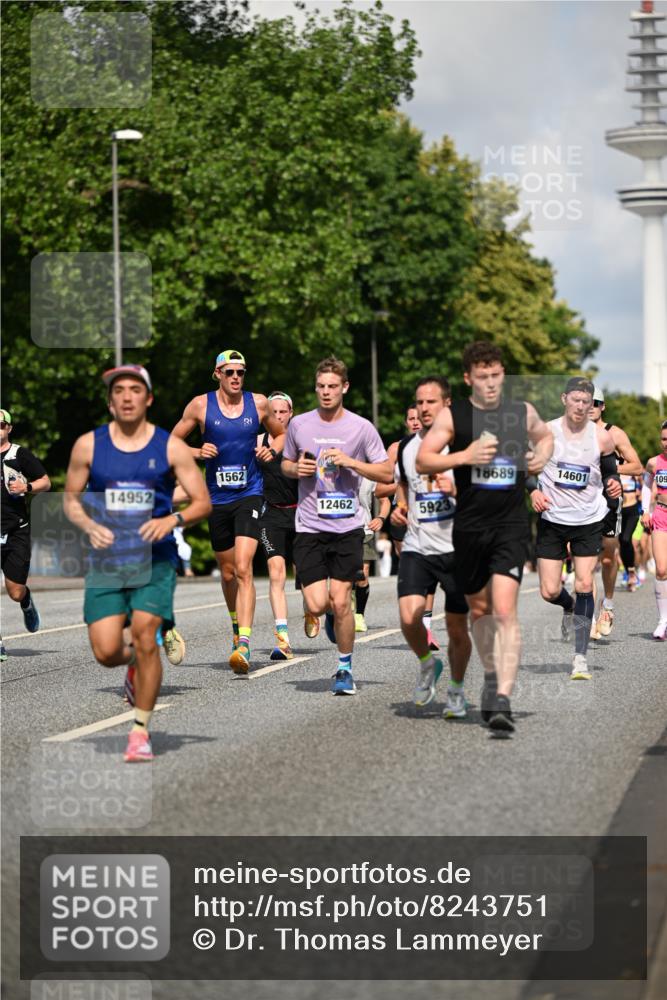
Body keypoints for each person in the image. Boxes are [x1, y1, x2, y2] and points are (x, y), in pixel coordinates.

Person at [64, 365, 211, 762]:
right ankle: (132, 665)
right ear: (110, 402)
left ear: (148, 399)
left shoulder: (170, 447)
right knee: (106, 650)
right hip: (108, 561)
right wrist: (88, 525)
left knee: (146, 636)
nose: (127, 397)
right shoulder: (88, 447)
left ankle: (140, 731)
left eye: (134, 390)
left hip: (154, 559)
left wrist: (172, 519)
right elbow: (70, 499)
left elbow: (202, 501)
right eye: (119, 391)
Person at [417, 341, 553, 734]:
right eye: (482, 377)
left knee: (506, 611)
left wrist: (542, 455)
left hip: (510, 525)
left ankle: (501, 697)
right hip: (469, 528)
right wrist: (464, 456)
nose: (491, 384)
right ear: (468, 378)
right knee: (479, 612)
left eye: (496, 376)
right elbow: (425, 458)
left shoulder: (519, 412)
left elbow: (545, 437)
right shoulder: (453, 415)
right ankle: (492, 675)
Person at [281, 356, 392, 695]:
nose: (326, 392)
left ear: (344, 388)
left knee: (342, 600)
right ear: (315, 388)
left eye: (332, 386)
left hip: (347, 527)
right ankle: (327, 614)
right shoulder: (299, 425)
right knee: (317, 603)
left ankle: (344, 668)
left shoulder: (361, 428)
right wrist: (294, 469)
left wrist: (351, 462)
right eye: (320, 387)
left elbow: (386, 472)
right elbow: (284, 464)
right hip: (310, 526)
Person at [172, 349, 284, 673]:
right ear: (217, 374)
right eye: (230, 372)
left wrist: (270, 451)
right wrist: (197, 450)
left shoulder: (259, 403)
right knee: (227, 573)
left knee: (244, 566)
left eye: (241, 372)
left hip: (250, 493)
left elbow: (281, 433)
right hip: (217, 498)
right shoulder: (200, 405)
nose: (236, 377)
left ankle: (244, 644)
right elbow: (171, 442)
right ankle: (236, 627)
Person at [529, 378, 621, 680]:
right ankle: (567, 606)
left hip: (588, 520)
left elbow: (610, 473)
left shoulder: (602, 438)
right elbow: (526, 469)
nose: (581, 406)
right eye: (576, 400)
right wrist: (533, 491)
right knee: (549, 590)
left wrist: (613, 486)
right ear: (564, 399)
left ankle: (580, 658)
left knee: (584, 584)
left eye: (587, 401)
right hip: (553, 520)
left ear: (591, 404)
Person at [391, 376, 472, 716]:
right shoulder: (408, 448)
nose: (424, 408)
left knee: (456, 629)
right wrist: (400, 509)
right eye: (419, 402)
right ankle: (427, 663)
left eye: (431, 402)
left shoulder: (462, 447)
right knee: (409, 618)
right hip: (418, 546)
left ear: (447, 405)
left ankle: (456, 689)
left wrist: (456, 493)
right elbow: (403, 490)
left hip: (457, 549)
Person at [589, 387, 642, 635]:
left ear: (603, 406)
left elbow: (637, 467)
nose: (590, 406)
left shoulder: (615, 433)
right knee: (585, 559)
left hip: (609, 500)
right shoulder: (574, 433)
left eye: (596, 403)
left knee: (609, 556)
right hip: (582, 502)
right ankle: (587, 614)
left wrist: (609, 468)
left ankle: (607, 606)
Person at [0, 407, 51, 660]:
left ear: (8, 428)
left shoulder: (19, 454)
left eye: (1, 425)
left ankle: (26, 601)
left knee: (14, 590)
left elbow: (46, 481)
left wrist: (27, 486)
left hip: (16, 530)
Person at [256, 391, 299, 660]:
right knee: (276, 572)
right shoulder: (256, 442)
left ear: (291, 413)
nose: (279, 416)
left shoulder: (300, 440)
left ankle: (312, 609)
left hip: (301, 514)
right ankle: (282, 638)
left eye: (283, 411)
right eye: (274, 412)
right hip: (270, 515)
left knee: (307, 579)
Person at [641, 420, 667, 640]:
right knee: (661, 569)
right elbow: (647, 484)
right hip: (661, 515)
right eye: (664, 438)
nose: (666, 443)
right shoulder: (653, 462)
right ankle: (663, 621)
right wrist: (645, 511)